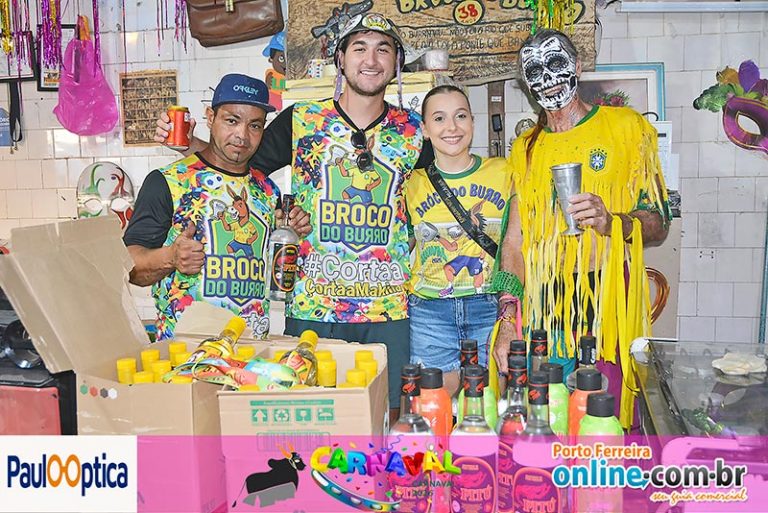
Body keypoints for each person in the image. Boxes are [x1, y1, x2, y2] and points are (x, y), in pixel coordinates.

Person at [154, 13, 435, 419]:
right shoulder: (302, 121)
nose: (371, 60)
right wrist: (188, 143)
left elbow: (443, 193)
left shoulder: (413, 132)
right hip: (313, 307)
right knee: (310, 416)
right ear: (340, 58)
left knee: (387, 415)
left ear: (396, 63)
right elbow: (238, 167)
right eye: (359, 48)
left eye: (383, 49)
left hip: (388, 306)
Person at [493, 29, 671, 429]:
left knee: (604, 414)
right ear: (525, 82)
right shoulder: (525, 147)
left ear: (576, 66)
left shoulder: (627, 127)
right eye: (533, 70)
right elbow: (514, 241)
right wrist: (507, 319)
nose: (547, 78)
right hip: (545, 303)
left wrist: (612, 222)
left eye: (556, 63)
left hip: (608, 296)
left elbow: (658, 223)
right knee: (548, 415)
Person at [124, 74, 310, 340]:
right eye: (232, 120)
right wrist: (171, 257)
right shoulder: (170, 182)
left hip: (251, 349)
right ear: (210, 117)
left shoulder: (268, 191)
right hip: (187, 352)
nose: (242, 135)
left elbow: (272, 269)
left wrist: (293, 234)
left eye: (255, 125)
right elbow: (129, 267)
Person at [404, 85, 522, 393]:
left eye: (460, 116)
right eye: (439, 118)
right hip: (429, 313)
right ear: (425, 129)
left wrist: (509, 314)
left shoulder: (506, 172)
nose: (452, 127)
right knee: (432, 404)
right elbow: (398, 247)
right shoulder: (409, 183)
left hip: (489, 308)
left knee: (489, 404)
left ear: (472, 121)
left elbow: (517, 244)